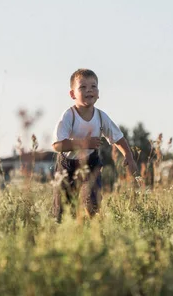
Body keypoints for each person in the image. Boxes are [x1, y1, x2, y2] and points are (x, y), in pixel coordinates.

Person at [51, 68, 138, 221]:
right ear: (72, 94)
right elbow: (57, 146)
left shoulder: (100, 116)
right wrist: (84, 143)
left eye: (93, 86)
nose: (89, 90)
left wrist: (128, 156)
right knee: (62, 211)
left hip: (91, 164)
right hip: (67, 166)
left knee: (92, 202)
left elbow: (118, 137)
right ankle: (64, 233)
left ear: (98, 93)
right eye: (82, 87)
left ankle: (92, 231)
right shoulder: (69, 116)